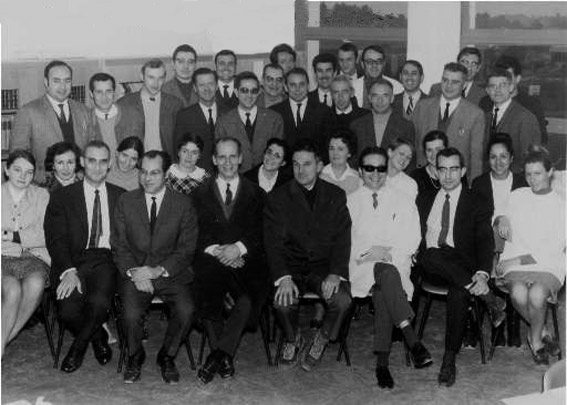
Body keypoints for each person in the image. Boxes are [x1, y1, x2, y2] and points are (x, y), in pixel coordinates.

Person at [416, 147, 506, 387]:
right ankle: (489, 299)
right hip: (432, 265)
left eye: (453, 169)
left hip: (462, 265)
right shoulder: (424, 198)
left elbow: (485, 241)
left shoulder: (477, 201)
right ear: (435, 171)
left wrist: (482, 274)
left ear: (463, 171)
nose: (447, 176)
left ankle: (449, 359)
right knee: (431, 253)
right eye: (442, 169)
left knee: (459, 292)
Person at [347, 146, 432, 388]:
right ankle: (412, 339)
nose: (375, 174)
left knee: (385, 282)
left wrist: (388, 253)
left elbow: (413, 237)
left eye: (381, 168)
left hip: (395, 263)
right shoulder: (350, 202)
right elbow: (347, 243)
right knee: (386, 276)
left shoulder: (402, 200)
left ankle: (382, 364)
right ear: (360, 171)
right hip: (362, 266)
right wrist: (371, 253)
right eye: (369, 168)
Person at [264, 139, 352, 372]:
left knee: (342, 301)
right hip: (291, 267)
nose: (300, 170)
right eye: (295, 164)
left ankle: (322, 338)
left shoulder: (335, 195)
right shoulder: (278, 197)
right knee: (282, 303)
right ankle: (294, 339)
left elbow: (343, 239)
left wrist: (335, 273)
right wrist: (283, 277)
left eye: (307, 164)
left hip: (323, 268)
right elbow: (272, 244)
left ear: (320, 166)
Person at [112, 150, 197, 384]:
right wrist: (135, 272)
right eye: (143, 172)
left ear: (166, 174)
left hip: (170, 273)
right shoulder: (126, 201)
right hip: (136, 272)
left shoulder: (183, 204)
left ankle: (167, 356)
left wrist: (157, 270)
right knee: (130, 314)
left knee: (186, 310)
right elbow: (119, 244)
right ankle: (135, 355)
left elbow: (187, 248)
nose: (147, 178)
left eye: (154, 173)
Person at [44, 140, 124, 373]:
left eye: (102, 162)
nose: (97, 167)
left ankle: (77, 350)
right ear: (82, 162)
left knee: (99, 303)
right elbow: (56, 240)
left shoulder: (121, 196)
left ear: (109, 164)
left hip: (106, 259)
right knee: (68, 311)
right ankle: (98, 336)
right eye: (92, 161)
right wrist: (69, 271)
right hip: (73, 260)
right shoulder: (62, 197)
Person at [193, 138, 269, 384]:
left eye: (232, 156)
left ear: (240, 158)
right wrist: (219, 251)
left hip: (246, 261)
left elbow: (261, 232)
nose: (227, 162)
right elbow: (195, 232)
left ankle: (217, 355)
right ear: (214, 160)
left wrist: (238, 248)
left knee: (247, 299)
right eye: (222, 157)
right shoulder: (199, 193)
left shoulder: (257, 193)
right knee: (207, 293)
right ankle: (224, 358)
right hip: (211, 259)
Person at [495, 146, 565, 365]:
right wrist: (502, 218)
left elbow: (551, 249)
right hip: (515, 262)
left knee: (536, 295)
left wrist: (515, 260)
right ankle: (542, 329)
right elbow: (498, 214)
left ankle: (535, 340)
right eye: (528, 174)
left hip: (547, 263)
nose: (532, 179)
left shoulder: (561, 205)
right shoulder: (517, 195)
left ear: (550, 172)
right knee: (518, 294)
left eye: (538, 173)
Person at [472, 133, 528, 348]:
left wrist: (506, 221)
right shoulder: (479, 183)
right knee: (489, 254)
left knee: (503, 260)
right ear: (488, 159)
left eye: (503, 156)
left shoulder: (522, 182)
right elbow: (477, 221)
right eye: (493, 157)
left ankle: (512, 324)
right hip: (488, 243)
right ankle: (498, 327)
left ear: (512, 158)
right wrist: (497, 221)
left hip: (516, 242)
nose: (498, 162)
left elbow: (527, 219)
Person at [11, 60, 96, 182]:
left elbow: (91, 150)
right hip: (43, 185)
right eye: (56, 81)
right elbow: (18, 158)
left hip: (79, 184)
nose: (63, 87)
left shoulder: (84, 111)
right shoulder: (28, 112)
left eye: (67, 81)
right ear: (46, 82)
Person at [2, 150, 51, 358]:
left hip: (34, 257)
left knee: (36, 283)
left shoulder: (41, 195)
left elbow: (45, 233)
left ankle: (2, 341)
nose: (23, 176)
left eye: (29, 172)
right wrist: (25, 239)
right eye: (17, 170)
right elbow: (34, 234)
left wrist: (10, 235)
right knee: (12, 289)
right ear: (6, 170)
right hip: (2, 257)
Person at [412, 62, 485, 182]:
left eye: (455, 82)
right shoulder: (422, 107)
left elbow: (476, 157)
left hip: (456, 180)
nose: (448, 86)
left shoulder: (475, 114)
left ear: (464, 85)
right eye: (445, 80)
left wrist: (474, 186)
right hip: (424, 179)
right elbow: (413, 145)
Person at [216, 71, 284, 173]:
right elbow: (221, 156)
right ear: (236, 92)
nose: (249, 95)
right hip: (236, 177)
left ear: (259, 92)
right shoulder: (223, 122)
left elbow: (279, 153)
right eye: (244, 90)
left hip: (266, 176)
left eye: (253, 91)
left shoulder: (274, 118)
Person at [116, 59, 183, 160]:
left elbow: (180, 141)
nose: (155, 84)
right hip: (136, 163)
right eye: (151, 77)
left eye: (160, 78)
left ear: (165, 78)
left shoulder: (175, 104)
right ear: (142, 76)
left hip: (166, 163)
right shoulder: (124, 104)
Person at [479, 55, 548, 145]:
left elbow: (537, 142)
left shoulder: (529, 108)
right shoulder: (485, 103)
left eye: (503, 83)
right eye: (493, 85)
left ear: (517, 79)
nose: (498, 89)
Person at [484, 68, 541, 172]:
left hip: (514, 178)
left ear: (511, 87)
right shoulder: (484, 117)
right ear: (487, 90)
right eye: (493, 86)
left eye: (502, 85)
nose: (497, 90)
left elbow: (528, 159)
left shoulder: (525, 117)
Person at [174, 68, 228, 172]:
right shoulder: (184, 116)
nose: (206, 89)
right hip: (196, 174)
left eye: (210, 84)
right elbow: (179, 151)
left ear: (217, 86)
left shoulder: (229, 112)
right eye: (202, 85)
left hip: (225, 172)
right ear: (195, 88)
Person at [270, 67, 336, 152]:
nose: (297, 89)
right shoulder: (274, 112)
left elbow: (328, 145)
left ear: (308, 86)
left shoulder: (324, 111)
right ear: (285, 87)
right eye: (293, 85)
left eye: (301, 84)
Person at [350, 79, 415, 164]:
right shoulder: (357, 125)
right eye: (375, 95)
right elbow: (352, 159)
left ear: (392, 98)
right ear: (369, 98)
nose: (380, 100)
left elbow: (410, 160)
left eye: (385, 96)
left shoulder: (405, 126)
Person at [359, 45, 404, 110]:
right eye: (369, 62)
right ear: (362, 64)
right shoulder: (352, 87)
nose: (374, 65)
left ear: (383, 64)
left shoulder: (397, 87)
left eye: (379, 61)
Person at [90, 72, 122, 156]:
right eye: (99, 92)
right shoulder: (86, 120)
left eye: (108, 91)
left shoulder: (128, 115)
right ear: (91, 94)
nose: (104, 97)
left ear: (114, 92)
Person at [320, 129, 361, 195]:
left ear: (349, 153)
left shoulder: (358, 179)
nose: (335, 153)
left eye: (340, 149)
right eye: (331, 148)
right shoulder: (319, 176)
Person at [411, 130, 447, 195]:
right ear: (425, 152)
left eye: (438, 150)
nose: (434, 155)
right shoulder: (415, 177)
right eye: (429, 150)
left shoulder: (456, 175)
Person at [336, 42, 364, 107]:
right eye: (341, 60)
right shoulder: (332, 79)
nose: (345, 64)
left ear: (356, 60)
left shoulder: (364, 79)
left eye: (349, 60)